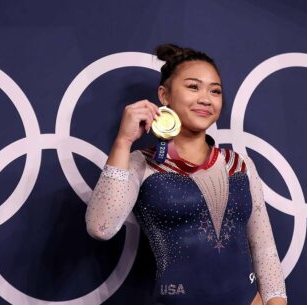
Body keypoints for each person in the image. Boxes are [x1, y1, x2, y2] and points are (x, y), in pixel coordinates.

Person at [85, 43, 287, 305]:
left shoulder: (240, 164)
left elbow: (264, 248)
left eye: (215, 91)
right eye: (193, 87)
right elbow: (100, 227)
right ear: (164, 94)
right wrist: (123, 141)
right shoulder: (140, 164)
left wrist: (275, 301)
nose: (206, 98)